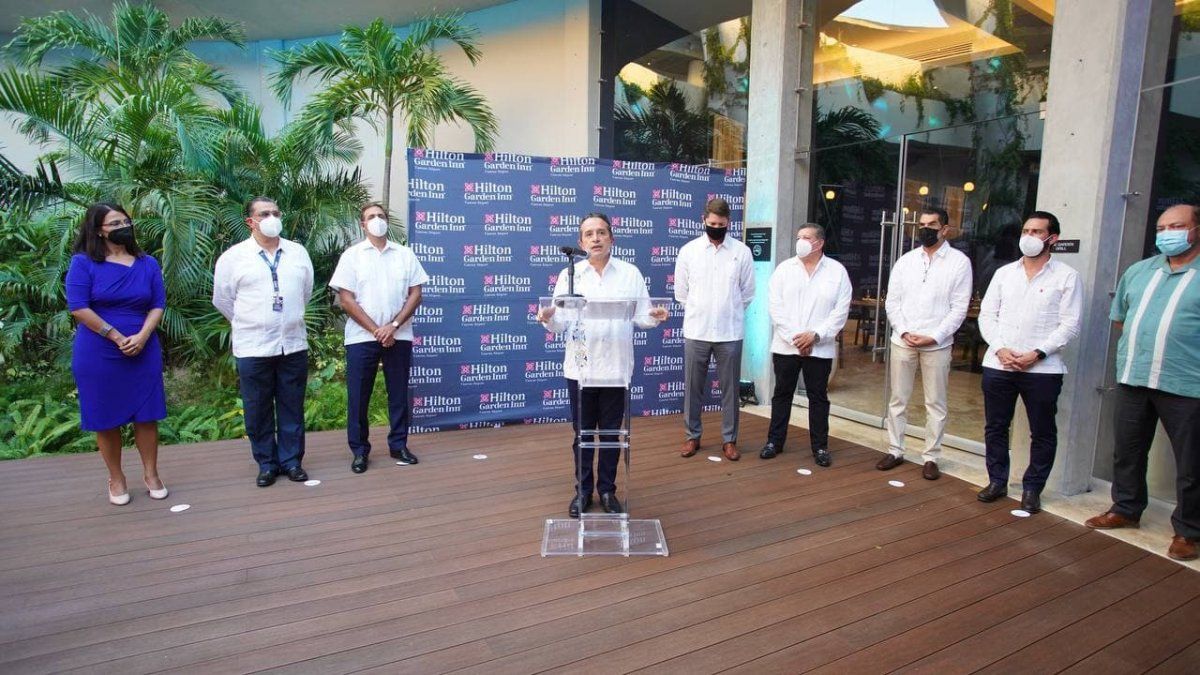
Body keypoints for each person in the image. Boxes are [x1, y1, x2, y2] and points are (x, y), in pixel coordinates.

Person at [1085, 203, 1200, 561]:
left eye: (1176, 226)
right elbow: (1122, 318)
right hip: (1135, 376)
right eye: (1161, 228)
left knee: (1192, 462)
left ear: (1196, 230)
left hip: (1187, 382)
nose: (1167, 234)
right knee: (1128, 449)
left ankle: (1189, 530)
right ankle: (1126, 508)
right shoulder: (1139, 271)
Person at [538, 213, 667, 517]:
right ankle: (583, 491)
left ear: (612, 238)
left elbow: (642, 316)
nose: (595, 238)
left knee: (611, 434)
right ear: (581, 242)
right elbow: (559, 323)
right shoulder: (570, 274)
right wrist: (548, 318)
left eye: (601, 232)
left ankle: (607, 490)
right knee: (582, 433)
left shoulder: (630, 273)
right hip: (580, 367)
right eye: (589, 234)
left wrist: (655, 317)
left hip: (616, 368)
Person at [975, 211, 1082, 514]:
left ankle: (1033, 488)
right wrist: (1000, 349)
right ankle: (997, 481)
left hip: (1042, 369)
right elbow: (987, 314)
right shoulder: (1004, 273)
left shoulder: (1067, 277)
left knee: (1043, 431)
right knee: (996, 426)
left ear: (1052, 238)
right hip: (999, 364)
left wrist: (1038, 353)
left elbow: (1070, 324)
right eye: (1026, 231)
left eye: (1036, 232)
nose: (1029, 237)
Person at [65, 203, 169, 505]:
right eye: (115, 223)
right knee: (105, 416)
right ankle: (116, 478)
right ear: (98, 230)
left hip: (143, 346)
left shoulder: (147, 263)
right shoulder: (83, 263)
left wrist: (143, 336)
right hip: (99, 350)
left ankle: (151, 474)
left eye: (126, 221)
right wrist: (115, 336)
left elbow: (158, 304)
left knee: (147, 415)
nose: (123, 226)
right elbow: (78, 307)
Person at [213, 196, 314, 487]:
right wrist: (253, 321)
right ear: (250, 221)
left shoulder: (297, 253)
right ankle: (267, 463)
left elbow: (305, 292)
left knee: (292, 405)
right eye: (264, 214)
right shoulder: (233, 257)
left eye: (276, 213)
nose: (272, 218)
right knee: (257, 408)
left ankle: (292, 461)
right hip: (253, 346)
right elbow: (223, 300)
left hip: (292, 343)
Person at [329, 203, 428, 473]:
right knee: (359, 396)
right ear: (363, 225)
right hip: (361, 338)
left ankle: (399, 445)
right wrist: (377, 330)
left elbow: (416, 294)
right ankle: (360, 451)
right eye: (371, 217)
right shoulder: (352, 256)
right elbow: (346, 299)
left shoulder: (405, 254)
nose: (377, 220)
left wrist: (393, 326)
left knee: (398, 394)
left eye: (381, 216)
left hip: (399, 335)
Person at [877, 206, 972, 480]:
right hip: (903, 341)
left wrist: (935, 336)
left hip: (937, 345)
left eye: (932, 225)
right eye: (921, 225)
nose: (925, 230)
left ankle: (931, 456)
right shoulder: (906, 261)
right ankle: (895, 449)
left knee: (936, 403)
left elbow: (959, 308)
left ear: (945, 230)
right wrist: (904, 331)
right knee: (898, 399)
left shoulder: (959, 263)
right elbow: (892, 302)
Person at [674, 197, 755, 461]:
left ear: (728, 222)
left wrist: (727, 311)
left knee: (730, 391)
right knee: (692, 388)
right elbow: (681, 293)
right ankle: (692, 436)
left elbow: (747, 293)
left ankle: (729, 440)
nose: (716, 228)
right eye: (712, 224)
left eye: (721, 224)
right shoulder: (688, 251)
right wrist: (702, 311)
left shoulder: (742, 252)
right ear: (704, 220)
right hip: (696, 330)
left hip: (730, 332)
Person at [763, 224, 851, 467]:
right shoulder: (784, 269)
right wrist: (796, 337)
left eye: (806, 237)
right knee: (782, 394)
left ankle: (820, 447)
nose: (800, 241)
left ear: (819, 243)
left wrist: (816, 335)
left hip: (819, 348)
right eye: (798, 237)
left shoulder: (837, 272)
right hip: (786, 346)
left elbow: (840, 311)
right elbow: (775, 307)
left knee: (818, 398)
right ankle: (774, 442)